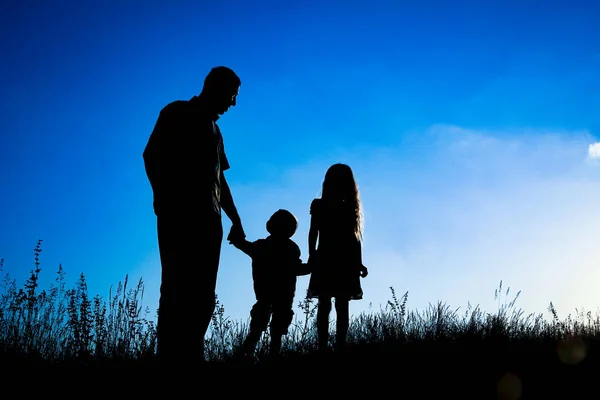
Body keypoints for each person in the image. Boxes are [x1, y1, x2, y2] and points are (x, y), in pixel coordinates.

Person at [142, 66, 246, 366]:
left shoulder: (216, 131)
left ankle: (191, 356)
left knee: (203, 295)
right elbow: (151, 155)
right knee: (175, 288)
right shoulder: (176, 112)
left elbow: (219, 181)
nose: (233, 104)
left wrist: (235, 219)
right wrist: (162, 196)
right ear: (215, 88)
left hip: (210, 223)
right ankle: (169, 359)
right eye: (231, 96)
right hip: (179, 217)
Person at [230, 209, 311, 359]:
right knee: (275, 330)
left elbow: (244, 246)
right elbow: (297, 268)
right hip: (283, 297)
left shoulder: (263, 246)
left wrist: (236, 239)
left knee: (259, 328)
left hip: (266, 295)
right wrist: (312, 266)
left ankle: (245, 355)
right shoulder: (290, 249)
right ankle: (269, 355)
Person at [306, 163, 368, 353]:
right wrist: (312, 254)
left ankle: (330, 344)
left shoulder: (330, 205)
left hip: (334, 258)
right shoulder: (341, 206)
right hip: (337, 258)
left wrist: (359, 262)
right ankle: (330, 344)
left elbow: (354, 238)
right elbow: (314, 232)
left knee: (330, 303)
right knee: (337, 303)